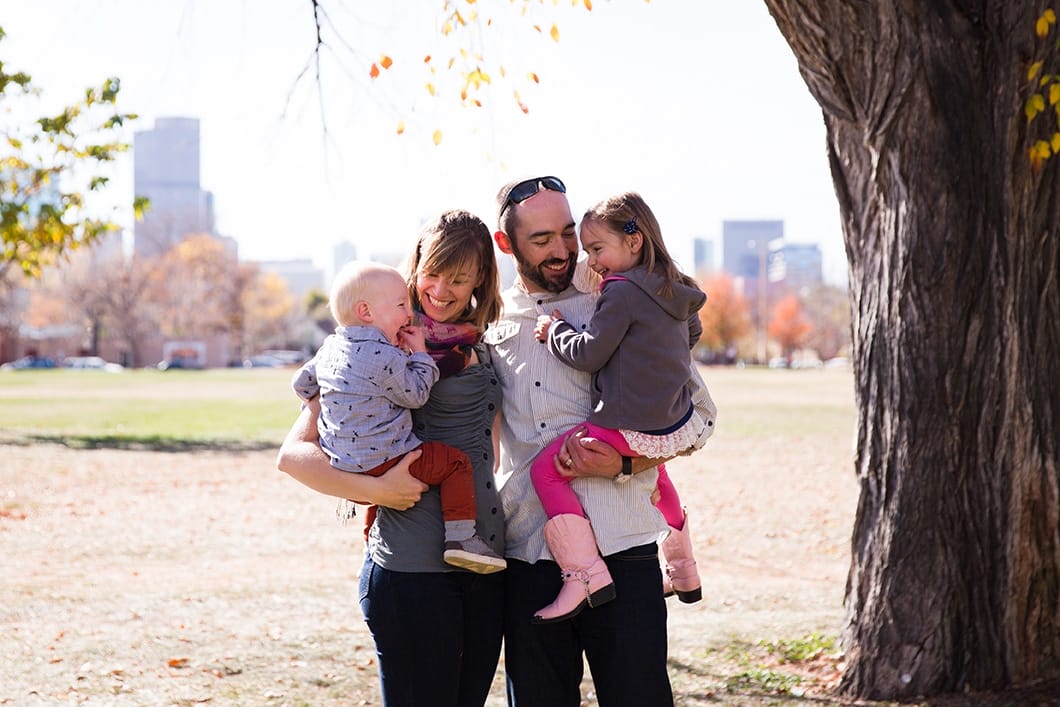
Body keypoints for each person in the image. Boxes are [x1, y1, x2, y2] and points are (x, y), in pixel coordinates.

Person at [484, 175, 717, 706]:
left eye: (569, 232)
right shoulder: (491, 318)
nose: (564, 250)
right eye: (542, 239)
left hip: (624, 548)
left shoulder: (622, 293)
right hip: (529, 554)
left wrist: (626, 462)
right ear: (507, 244)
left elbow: (700, 417)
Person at [277, 210, 506, 707]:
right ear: (416, 265)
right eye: (433, 274)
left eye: (460, 278)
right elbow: (294, 456)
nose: (442, 290)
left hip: (485, 563)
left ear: (481, 280)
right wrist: (377, 492)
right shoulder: (370, 348)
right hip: (411, 571)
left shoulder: (482, 345)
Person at [527, 191, 707, 623]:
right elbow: (691, 335)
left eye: (596, 249)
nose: (590, 261)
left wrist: (554, 330)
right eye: (587, 251)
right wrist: (650, 357)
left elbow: (589, 353)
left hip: (622, 420)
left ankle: (585, 574)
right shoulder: (675, 287)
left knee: (546, 471)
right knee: (656, 474)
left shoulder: (620, 291)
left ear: (634, 241)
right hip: (668, 420)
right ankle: (684, 569)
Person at [291, 259, 505, 574]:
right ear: (366, 313)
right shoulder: (388, 357)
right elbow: (416, 394)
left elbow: (302, 383)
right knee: (455, 463)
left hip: (344, 462)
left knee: (379, 480)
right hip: (388, 459)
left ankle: (370, 537)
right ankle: (462, 539)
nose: (408, 313)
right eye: (401, 305)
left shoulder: (329, 348)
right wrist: (418, 354)